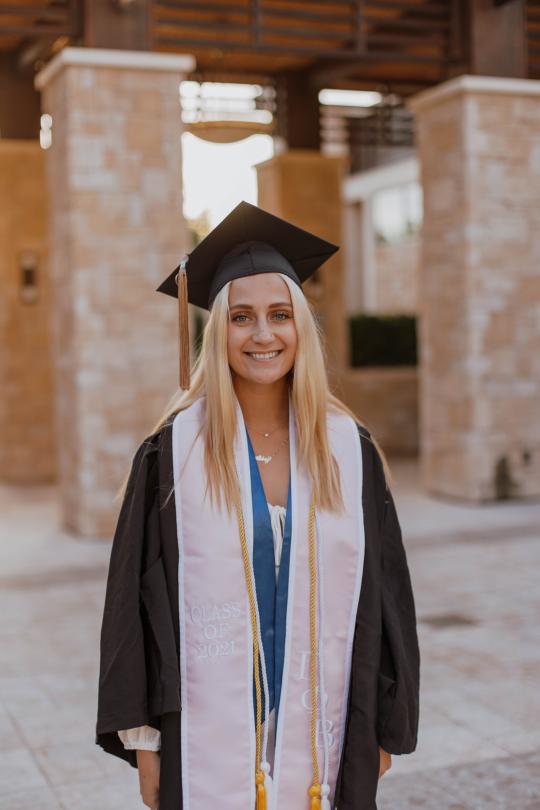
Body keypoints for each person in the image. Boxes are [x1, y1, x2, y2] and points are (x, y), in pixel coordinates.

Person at [95, 201, 420, 810]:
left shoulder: (349, 449)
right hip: (203, 734)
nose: (263, 334)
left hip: (328, 731)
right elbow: (133, 607)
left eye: (279, 315)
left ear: (301, 326)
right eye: (241, 317)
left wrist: (384, 724)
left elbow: (387, 595)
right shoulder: (172, 453)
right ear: (218, 330)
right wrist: (145, 743)